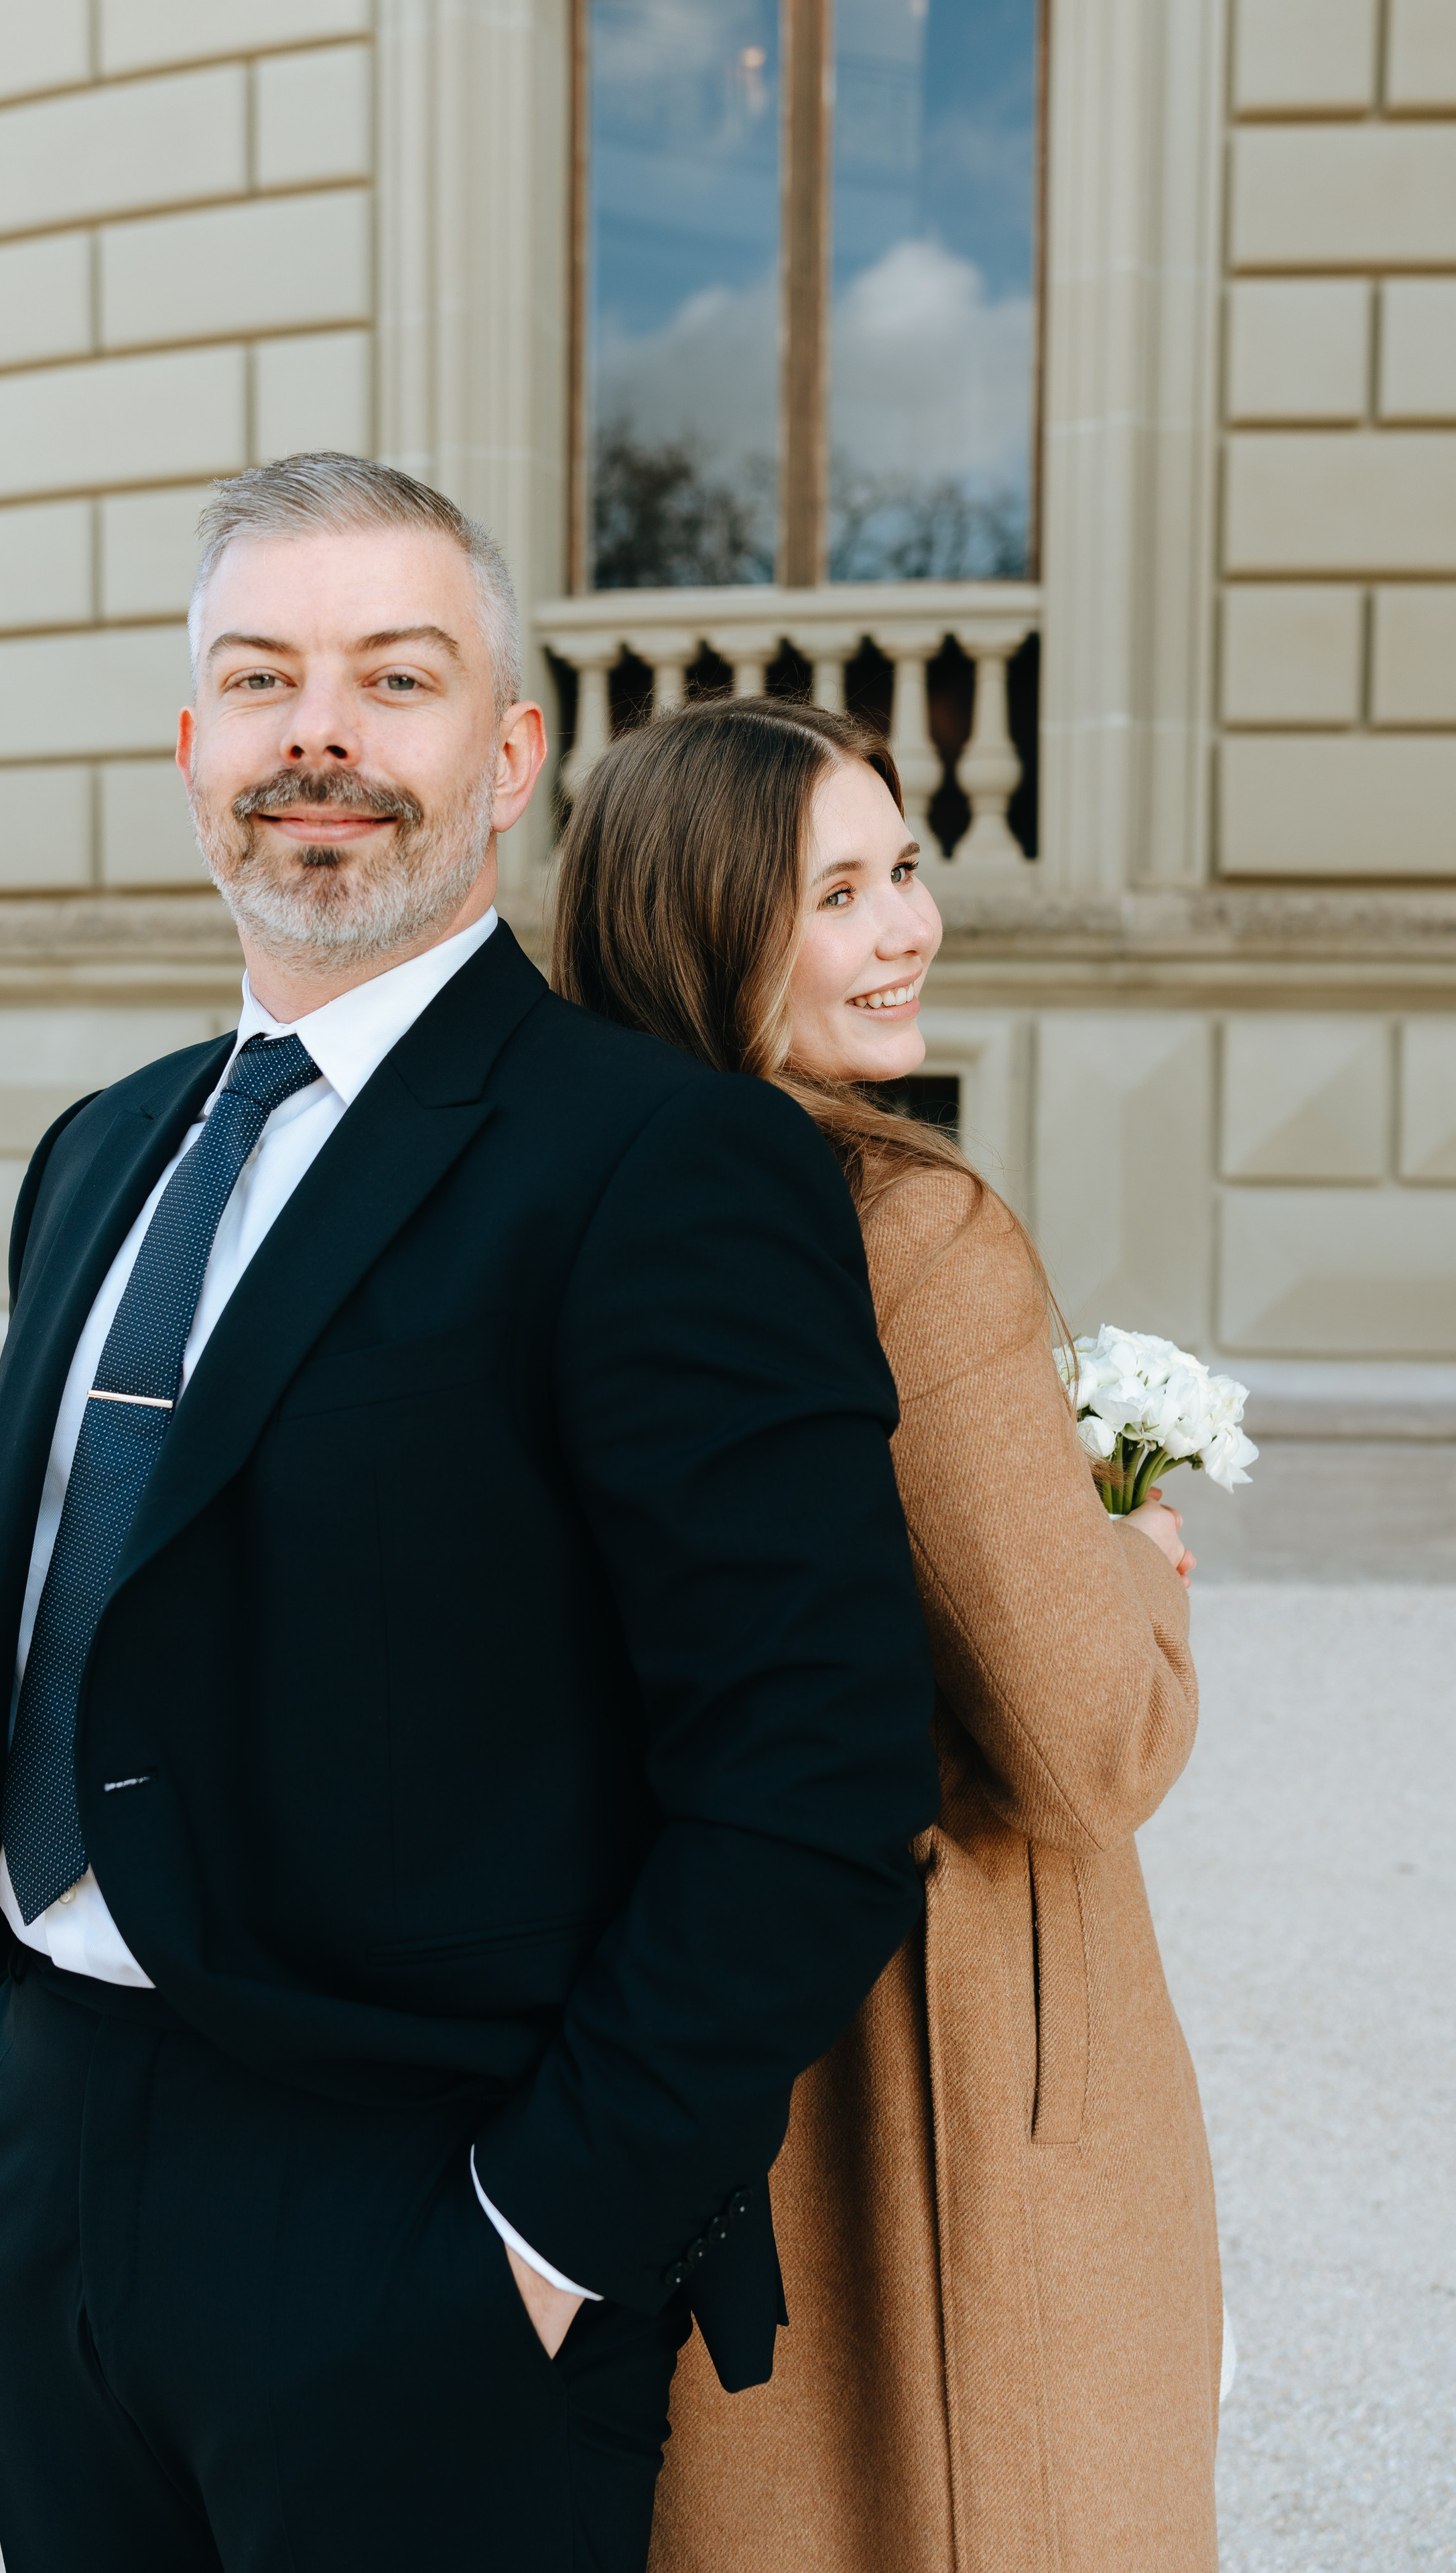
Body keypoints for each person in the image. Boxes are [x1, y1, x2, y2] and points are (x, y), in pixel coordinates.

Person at [0, 460, 941, 2573]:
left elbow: (818, 1771)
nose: (323, 736)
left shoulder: (655, 1166)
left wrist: (549, 2234)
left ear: (508, 754)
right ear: (190, 745)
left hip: (414, 2218)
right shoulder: (98, 1156)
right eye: (262, 678)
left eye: (397, 678)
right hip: (40, 2156)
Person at [551, 698, 1223, 2573]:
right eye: (834, 895)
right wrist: (1131, 1556)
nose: (904, 928)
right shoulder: (902, 1232)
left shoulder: (572, 1197)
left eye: (904, 868)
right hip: (931, 2045)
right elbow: (1094, 1744)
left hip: (673, 2018)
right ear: (706, 929)